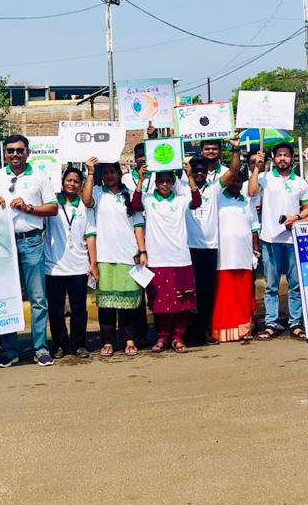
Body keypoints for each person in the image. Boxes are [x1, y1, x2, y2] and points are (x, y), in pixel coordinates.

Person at [0, 134, 58, 367]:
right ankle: (10, 351)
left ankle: (40, 348)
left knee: (38, 298)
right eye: (10, 150)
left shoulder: (39, 175)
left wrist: (28, 208)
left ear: (28, 152)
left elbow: (53, 208)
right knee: (7, 297)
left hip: (32, 241)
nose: (15, 154)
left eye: (19, 150)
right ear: (5, 153)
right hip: (3, 243)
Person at [132, 162, 201, 351]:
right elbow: (135, 205)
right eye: (161, 181)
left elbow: (197, 202)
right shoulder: (147, 199)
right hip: (157, 258)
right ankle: (162, 337)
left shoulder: (181, 200)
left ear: (173, 183)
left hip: (180, 258)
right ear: (156, 183)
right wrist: (140, 180)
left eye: (168, 181)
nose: (164, 184)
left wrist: (190, 176)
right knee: (159, 302)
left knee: (182, 302)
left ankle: (178, 337)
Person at [248, 142, 308, 339]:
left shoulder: (300, 182)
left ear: (292, 159)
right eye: (279, 155)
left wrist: (297, 217)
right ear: (273, 158)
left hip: (292, 239)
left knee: (295, 284)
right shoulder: (265, 178)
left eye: (286, 155)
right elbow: (252, 192)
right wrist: (257, 168)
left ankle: (295, 323)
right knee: (271, 286)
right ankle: (271, 323)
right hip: (269, 238)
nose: (282, 158)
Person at [85, 162, 147, 357]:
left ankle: (129, 339)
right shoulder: (97, 192)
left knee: (129, 304)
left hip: (128, 256)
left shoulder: (130, 194)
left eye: (113, 172)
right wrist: (90, 172)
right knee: (106, 306)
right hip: (104, 256)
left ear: (120, 174)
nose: (109, 175)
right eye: (105, 172)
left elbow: (138, 225)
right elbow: (86, 200)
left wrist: (142, 251)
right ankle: (108, 341)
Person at [186, 143, 242, 346]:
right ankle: (188, 333)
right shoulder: (182, 188)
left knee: (207, 293)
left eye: (203, 170)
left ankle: (206, 330)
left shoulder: (215, 188)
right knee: (189, 292)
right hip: (188, 248)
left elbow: (234, 171)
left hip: (209, 248)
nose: (200, 173)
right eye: (196, 170)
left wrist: (236, 150)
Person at [45, 162, 97, 359]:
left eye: (76, 181)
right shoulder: (52, 205)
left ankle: (78, 344)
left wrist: (93, 263)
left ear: (81, 184)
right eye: (69, 180)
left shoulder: (85, 206)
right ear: (62, 182)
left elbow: (90, 236)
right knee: (56, 310)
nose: (72, 184)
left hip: (79, 266)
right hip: (54, 266)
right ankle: (59, 344)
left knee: (79, 309)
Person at [210, 167, 260, 343]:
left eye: (239, 181)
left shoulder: (247, 201)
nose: (235, 183)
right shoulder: (217, 199)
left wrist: (255, 250)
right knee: (225, 296)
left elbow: (254, 228)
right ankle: (223, 331)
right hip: (223, 257)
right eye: (232, 180)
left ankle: (244, 329)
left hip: (244, 256)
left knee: (243, 294)